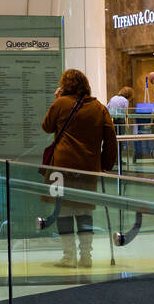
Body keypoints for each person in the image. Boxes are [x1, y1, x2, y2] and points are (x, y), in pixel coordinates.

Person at [41, 68, 117, 269]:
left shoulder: (60, 104)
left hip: (61, 167)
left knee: (63, 210)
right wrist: (105, 164)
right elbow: (111, 139)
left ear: (65, 86)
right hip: (88, 167)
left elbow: (47, 126)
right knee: (84, 210)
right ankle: (86, 257)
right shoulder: (99, 108)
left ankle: (69, 257)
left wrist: (57, 98)